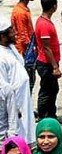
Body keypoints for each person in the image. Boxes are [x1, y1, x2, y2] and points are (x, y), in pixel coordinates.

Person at [0, 15, 33, 143]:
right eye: (11, 31)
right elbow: (4, 89)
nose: (15, 33)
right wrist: (13, 110)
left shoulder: (11, 48)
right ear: (3, 36)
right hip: (15, 106)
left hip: (24, 100)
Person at [33, 0, 61, 121]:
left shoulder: (44, 21)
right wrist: (55, 67)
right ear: (54, 6)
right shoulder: (44, 24)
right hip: (46, 63)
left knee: (53, 89)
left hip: (49, 62)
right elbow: (46, 47)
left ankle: (51, 116)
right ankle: (43, 117)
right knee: (46, 91)